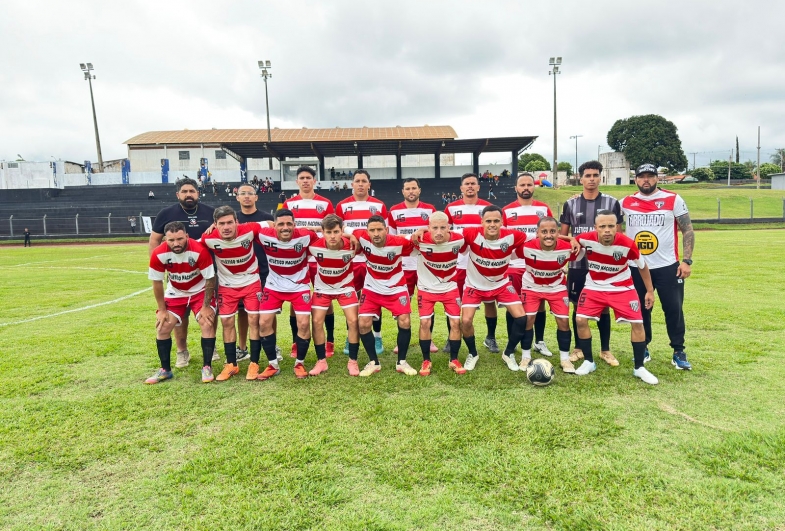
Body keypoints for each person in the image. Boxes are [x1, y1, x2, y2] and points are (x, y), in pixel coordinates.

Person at [621, 163, 694, 370]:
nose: (646, 180)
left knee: (673, 309)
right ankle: (643, 346)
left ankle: (678, 350)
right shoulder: (626, 202)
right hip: (636, 266)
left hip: (667, 266)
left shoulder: (673, 199)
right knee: (641, 311)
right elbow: (608, 222)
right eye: (642, 176)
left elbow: (687, 230)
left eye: (650, 176)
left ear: (657, 178)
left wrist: (686, 261)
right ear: (635, 179)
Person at [573, 210, 659, 385]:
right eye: (602, 226)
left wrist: (649, 291)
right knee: (580, 319)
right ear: (595, 228)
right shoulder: (586, 238)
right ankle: (589, 361)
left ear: (617, 227)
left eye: (611, 226)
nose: (606, 230)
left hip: (622, 287)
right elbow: (574, 239)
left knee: (638, 323)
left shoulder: (628, 244)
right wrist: (573, 240)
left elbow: (642, 266)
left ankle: (639, 368)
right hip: (594, 286)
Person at [559, 160, 623, 367]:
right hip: (578, 265)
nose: (592, 179)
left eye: (595, 175)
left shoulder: (612, 203)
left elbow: (618, 235)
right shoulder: (571, 204)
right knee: (578, 306)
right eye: (588, 176)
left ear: (600, 177)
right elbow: (563, 236)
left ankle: (605, 349)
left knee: (604, 306)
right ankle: (578, 348)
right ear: (581, 178)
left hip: (604, 266)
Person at [149, 177, 215, 367]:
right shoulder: (166, 213)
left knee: (209, 312)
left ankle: (211, 347)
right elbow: (154, 240)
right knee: (180, 315)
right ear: (178, 194)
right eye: (184, 191)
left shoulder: (210, 212)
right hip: (178, 270)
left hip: (206, 270)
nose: (188, 195)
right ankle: (181, 350)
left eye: (192, 191)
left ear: (198, 193)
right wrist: (158, 264)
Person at [200, 206, 266, 381]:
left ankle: (254, 363)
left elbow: (273, 224)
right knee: (227, 321)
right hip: (227, 285)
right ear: (215, 224)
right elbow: (191, 246)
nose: (226, 227)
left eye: (230, 222)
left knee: (254, 320)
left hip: (251, 282)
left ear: (237, 222)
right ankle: (231, 364)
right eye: (221, 223)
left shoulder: (250, 228)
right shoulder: (208, 238)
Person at [146, 221, 217, 384]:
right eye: (171, 240)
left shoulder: (199, 250)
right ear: (165, 239)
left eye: (179, 239)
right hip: (176, 293)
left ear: (187, 236)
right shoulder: (158, 254)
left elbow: (210, 278)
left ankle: (207, 367)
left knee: (206, 323)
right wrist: (161, 310)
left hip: (199, 291)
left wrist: (206, 307)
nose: (176, 243)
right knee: (163, 327)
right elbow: (157, 283)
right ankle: (165, 370)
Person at [459, 206, 529, 371]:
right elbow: (446, 233)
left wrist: (571, 239)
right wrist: (423, 229)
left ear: (502, 222)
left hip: (501, 284)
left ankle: (508, 352)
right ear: (481, 222)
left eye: (496, 221)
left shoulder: (515, 236)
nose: (492, 224)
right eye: (488, 221)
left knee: (521, 318)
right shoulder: (470, 233)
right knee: (466, 321)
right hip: (474, 286)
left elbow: (541, 235)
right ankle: (473, 353)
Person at [255, 208, 320, 380]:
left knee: (304, 324)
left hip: (300, 286)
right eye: (281, 224)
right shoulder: (264, 235)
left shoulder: (306, 235)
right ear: (274, 225)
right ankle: (272, 365)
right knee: (263, 323)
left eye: (289, 224)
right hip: (273, 286)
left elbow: (328, 237)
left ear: (294, 224)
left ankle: (299, 363)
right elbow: (241, 229)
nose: (285, 227)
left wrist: (349, 235)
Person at [502, 173, 554, 369]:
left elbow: (551, 234)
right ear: (516, 188)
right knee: (513, 304)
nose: (526, 188)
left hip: (539, 266)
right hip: (514, 266)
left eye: (529, 184)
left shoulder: (543, 208)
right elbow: (504, 240)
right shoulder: (507, 211)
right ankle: (512, 343)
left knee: (539, 305)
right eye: (522, 184)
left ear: (534, 187)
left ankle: (539, 341)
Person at [283, 166, 337, 358]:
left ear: (314, 181)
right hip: (297, 259)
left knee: (325, 297)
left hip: (319, 258)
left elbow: (331, 230)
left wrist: (310, 229)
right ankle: (296, 342)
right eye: (302, 178)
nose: (305, 181)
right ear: (297, 182)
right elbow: (284, 230)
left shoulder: (325, 203)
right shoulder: (288, 204)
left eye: (308, 178)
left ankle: (329, 340)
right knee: (294, 299)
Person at [353, 215, 416, 376]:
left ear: (386, 230)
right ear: (367, 232)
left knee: (405, 321)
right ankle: (373, 362)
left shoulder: (399, 242)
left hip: (396, 288)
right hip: (372, 288)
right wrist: (351, 236)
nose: (376, 233)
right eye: (372, 230)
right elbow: (346, 231)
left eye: (379, 229)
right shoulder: (362, 237)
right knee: (363, 323)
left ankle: (401, 362)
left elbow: (417, 241)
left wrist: (420, 231)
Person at [519, 217, 583, 373]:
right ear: (537, 233)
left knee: (563, 321)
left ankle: (565, 359)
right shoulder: (525, 247)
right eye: (544, 232)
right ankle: (525, 356)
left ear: (558, 233)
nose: (548, 235)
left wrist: (572, 239)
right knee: (528, 319)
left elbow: (582, 249)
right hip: (531, 286)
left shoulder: (569, 248)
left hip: (556, 287)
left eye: (553, 231)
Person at [335, 170, 388, 355]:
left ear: (369, 184)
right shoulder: (342, 206)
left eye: (364, 181)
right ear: (352, 184)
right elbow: (338, 232)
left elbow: (385, 233)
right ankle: (352, 337)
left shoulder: (379, 206)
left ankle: (378, 336)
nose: (360, 184)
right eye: (357, 181)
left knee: (375, 298)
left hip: (372, 260)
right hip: (350, 261)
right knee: (351, 301)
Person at [444, 173, 497, 354]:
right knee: (453, 301)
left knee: (490, 301)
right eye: (466, 184)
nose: (470, 187)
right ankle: (452, 337)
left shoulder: (487, 207)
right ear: (461, 188)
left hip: (485, 263)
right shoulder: (451, 208)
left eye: (473, 184)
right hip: (459, 263)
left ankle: (490, 337)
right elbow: (446, 234)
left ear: (478, 187)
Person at [411, 212, 467, 375]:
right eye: (435, 227)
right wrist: (417, 232)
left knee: (456, 323)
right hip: (426, 289)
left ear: (449, 228)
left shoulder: (459, 239)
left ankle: (454, 359)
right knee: (425, 323)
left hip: (450, 288)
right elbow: (401, 241)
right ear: (428, 228)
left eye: (443, 227)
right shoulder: (419, 239)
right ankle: (426, 360)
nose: (439, 231)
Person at [387, 178, 438, 354]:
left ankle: (428, 339)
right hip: (404, 265)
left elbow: (435, 235)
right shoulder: (394, 211)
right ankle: (402, 340)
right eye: (407, 188)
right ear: (403, 191)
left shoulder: (429, 210)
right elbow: (391, 239)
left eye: (414, 188)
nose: (411, 191)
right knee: (403, 303)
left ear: (419, 190)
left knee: (428, 302)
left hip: (425, 264)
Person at [308, 214, 360, 375]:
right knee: (316, 321)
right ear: (322, 232)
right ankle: (321, 361)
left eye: (336, 232)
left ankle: (353, 361)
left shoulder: (353, 245)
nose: (332, 236)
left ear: (341, 231)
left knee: (353, 321)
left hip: (345, 287)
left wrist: (351, 235)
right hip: (323, 288)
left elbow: (364, 234)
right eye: (328, 232)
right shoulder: (314, 245)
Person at [234, 183, 275, 363]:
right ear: (237, 197)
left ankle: (272, 345)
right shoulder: (232, 219)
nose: (247, 196)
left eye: (250, 193)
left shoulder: (266, 218)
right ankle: (242, 348)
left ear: (256, 197)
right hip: (240, 272)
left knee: (269, 311)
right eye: (243, 193)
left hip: (264, 269)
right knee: (242, 312)